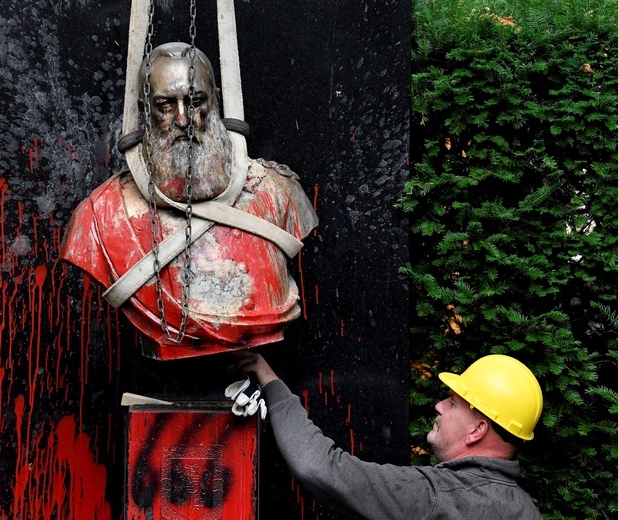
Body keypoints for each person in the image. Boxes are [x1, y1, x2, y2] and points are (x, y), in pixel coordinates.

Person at [60, 43, 318, 359]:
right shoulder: (99, 217)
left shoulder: (280, 192)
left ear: (217, 101)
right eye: (166, 105)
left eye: (196, 101)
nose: (184, 119)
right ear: (145, 111)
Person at [228, 351, 544, 519]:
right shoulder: (526, 511)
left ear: (477, 430)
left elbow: (322, 468)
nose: (438, 406)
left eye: (452, 403)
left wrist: (269, 379)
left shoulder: (436, 498)